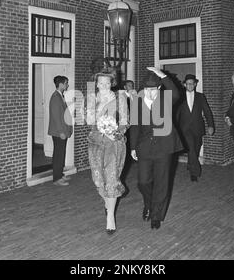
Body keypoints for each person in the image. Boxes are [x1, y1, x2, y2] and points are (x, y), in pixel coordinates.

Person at [129, 66, 183, 230]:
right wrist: (133, 147)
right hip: (144, 147)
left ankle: (156, 215)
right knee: (143, 182)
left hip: (163, 148)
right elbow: (135, 126)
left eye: (152, 90)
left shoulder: (166, 99)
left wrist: (162, 75)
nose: (149, 93)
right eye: (146, 89)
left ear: (159, 88)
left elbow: (176, 93)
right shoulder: (138, 102)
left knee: (161, 182)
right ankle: (149, 203)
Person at [86, 68, 128, 234]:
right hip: (96, 143)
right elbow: (89, 121)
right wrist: (96, 110)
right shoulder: (91, 98)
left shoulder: (120, 98)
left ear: (112, 83)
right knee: (98, 180)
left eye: (107, 82)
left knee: (111, 179)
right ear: (96, 84)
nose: (103, 85)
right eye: (100, 82)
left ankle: (110, 216)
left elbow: (125, 122)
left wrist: (115, 133)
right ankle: (107, 202)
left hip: (114, 144)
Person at [176, 74, 215, 182]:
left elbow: (207, 111)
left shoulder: (200, 96)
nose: (190, 85)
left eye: (192, 83)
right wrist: (175, 128)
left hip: (198, 127)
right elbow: (177, 114)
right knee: (192, 149)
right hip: (184, 129)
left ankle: (190, 164)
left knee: (196, 149)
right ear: (184, 84)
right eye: (188, 83)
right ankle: (195, 172)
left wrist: (211, 125)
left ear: (195, 84)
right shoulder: (180, 97)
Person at [48, 76, 73, 186]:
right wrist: (61, 132)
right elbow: (56, 117)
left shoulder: (60, 96)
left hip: (62, 131)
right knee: (58, 155)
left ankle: (60, 174)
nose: (67, 85)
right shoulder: (55, 97)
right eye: (66, 83)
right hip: (59, 132)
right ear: (61, 84)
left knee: (61, 153)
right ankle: (56, 179)